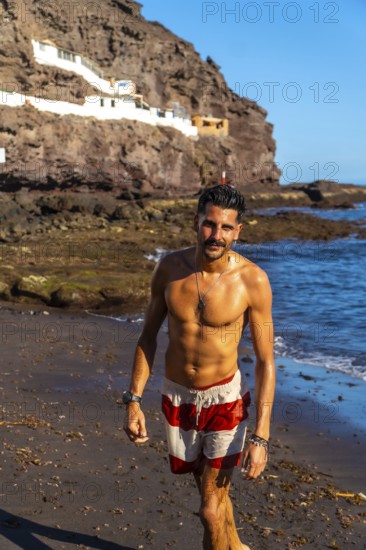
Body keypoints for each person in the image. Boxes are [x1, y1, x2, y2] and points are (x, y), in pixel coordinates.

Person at [124, 184, 276, 550]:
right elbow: (148, 336)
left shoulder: (252, 281)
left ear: (239, 231)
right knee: (207, 487)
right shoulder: (170, 269)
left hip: (225, 398)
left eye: (226, 228)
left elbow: (266, 361)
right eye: (210, 224)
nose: (216, 235)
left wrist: (260, 437)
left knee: (209, 510)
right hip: (178, 397)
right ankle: (236, 545)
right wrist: (133, 400)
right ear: (196, 221)